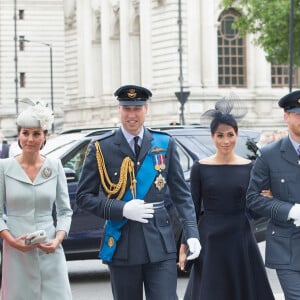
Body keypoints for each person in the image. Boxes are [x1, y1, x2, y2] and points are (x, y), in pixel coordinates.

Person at [76, 84, 201, 300]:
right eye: (127, 109)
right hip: (122, 241)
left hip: (160, 243)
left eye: (137, 108)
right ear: (119, 109)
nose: (132, 115)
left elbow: (182, 195)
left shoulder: (164, 143)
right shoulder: (101, 148)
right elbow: (84, 197)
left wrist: (191, 232)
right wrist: (121, 208)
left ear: (146, 109)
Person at [179, 99, 275, 300]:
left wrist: (267, 199)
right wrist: (185, 242)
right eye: (220, 135)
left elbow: (255, 208)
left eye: (230, 135)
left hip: (240, 236)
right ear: (212, 137)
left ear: (236, 135)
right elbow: (192, 207)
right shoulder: (200, 168)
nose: (225, 141)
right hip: (210, 238)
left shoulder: (250, 167)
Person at [0, 99, 73, 299]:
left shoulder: (55, 166)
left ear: (44, 137)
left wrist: (57, 239)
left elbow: (65, 211)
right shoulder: (4, 167)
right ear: (19, 136)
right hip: (16, 252)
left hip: (50, 248)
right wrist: (12, 242)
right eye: (25, 133)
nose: (30, 139)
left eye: (36, 134)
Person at [247, 90, 300, 300]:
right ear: (286, 117)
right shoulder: (269, 154)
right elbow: (253, 198)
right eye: (297, 114)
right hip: (286, 246)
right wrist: (289, 210)